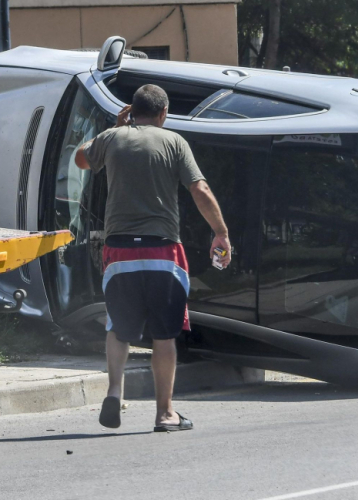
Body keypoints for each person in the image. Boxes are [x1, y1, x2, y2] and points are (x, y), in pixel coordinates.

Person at [75, 84, 231, 432]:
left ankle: (115, 391)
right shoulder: (175, 142)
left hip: (119, 253)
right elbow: (200, 190)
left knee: (118, 328)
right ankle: (165, 413)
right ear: (163, 113)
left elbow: (81, 159)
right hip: (163, 252)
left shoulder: (113, 138)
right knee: (164, 335)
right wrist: (220, 233)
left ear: (132, 111)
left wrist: (113, 128)